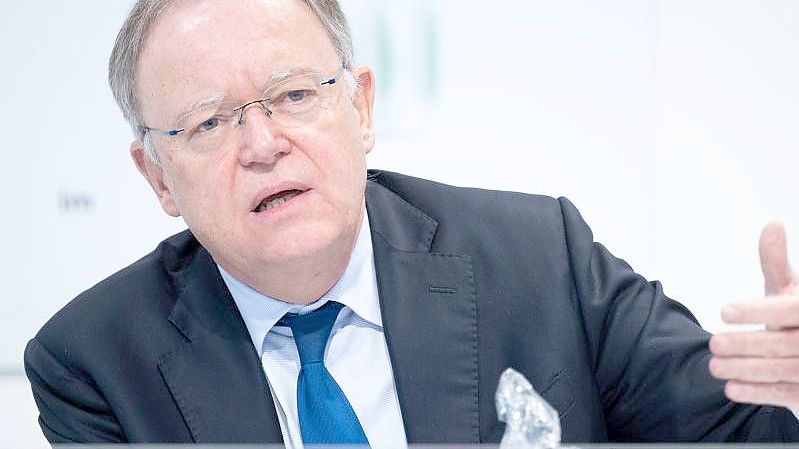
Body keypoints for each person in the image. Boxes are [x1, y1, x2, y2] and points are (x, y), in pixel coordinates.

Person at [24, 0, 799, 446]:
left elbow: (738, 435)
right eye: (207, 123)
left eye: (294, 95)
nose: (262, 144)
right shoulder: (94, 360)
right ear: (157, 176)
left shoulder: (539, 259)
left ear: (358, 108)